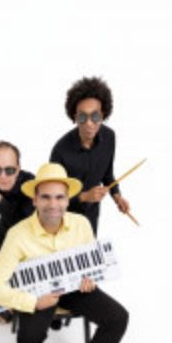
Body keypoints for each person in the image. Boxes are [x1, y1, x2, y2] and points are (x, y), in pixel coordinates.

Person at [0, 163, 129, 343]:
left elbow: (91, 264)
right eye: (46, 197)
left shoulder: (82, 224)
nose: (53, 204)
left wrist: (89, 279)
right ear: (35, 200)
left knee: (117, 317)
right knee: (28, 339)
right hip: (37, 292)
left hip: (73, 287)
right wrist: (33, 302)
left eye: (60, 197)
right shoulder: (17, 235)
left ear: (68, 199)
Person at [50, 76, 131, 235]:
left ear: (103, 115)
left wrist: (117, 198)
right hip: (63, 221)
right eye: (82, 117)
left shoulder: (109, 137)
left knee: (89, 250)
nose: (89, 123)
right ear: (74, 117)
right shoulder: (60, 150)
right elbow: (52, 197)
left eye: (95, 117)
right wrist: (84, 197)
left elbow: (107, 175)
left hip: (91, 218)